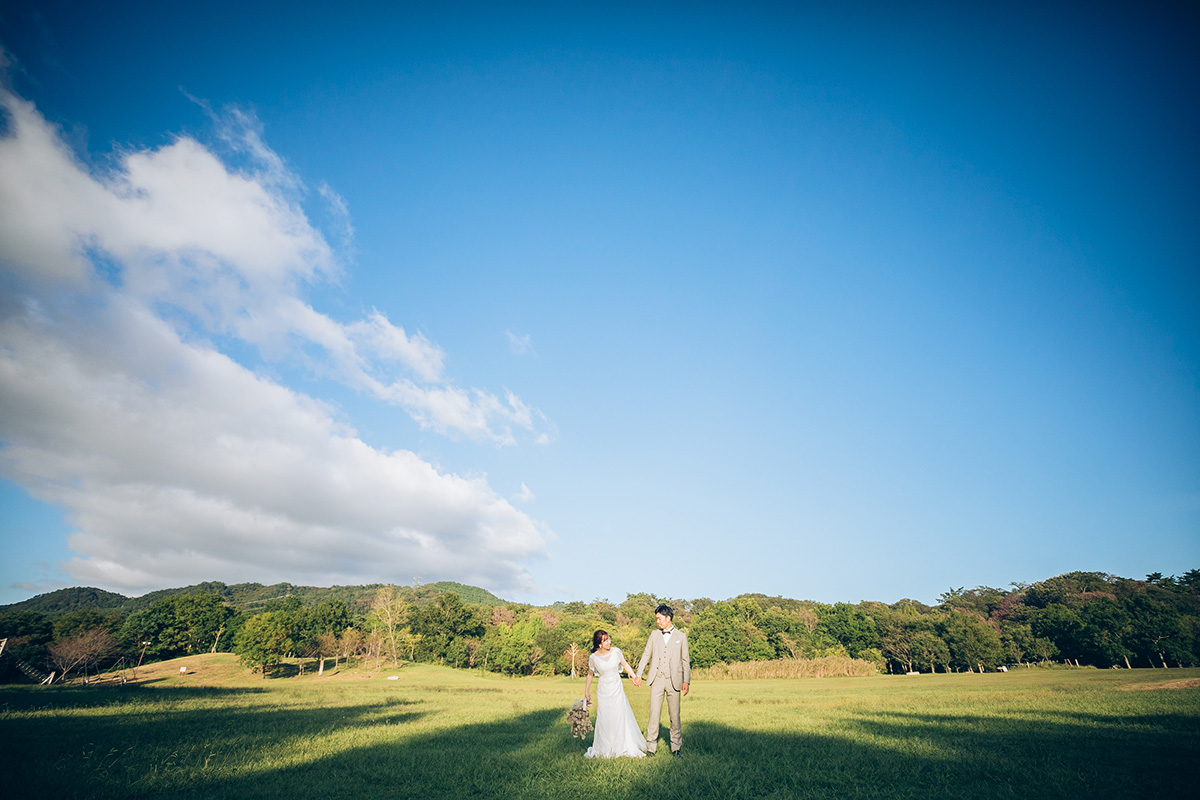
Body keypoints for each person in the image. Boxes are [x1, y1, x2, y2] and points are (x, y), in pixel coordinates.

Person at [634, 604, 690, 757]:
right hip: (657, 679)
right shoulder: (654, 635)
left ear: (668, 618)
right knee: (654, 714)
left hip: (675, 680)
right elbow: (646, 655)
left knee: (674, 715)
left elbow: (685, 660)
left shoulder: (681, 636)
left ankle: (676, 748)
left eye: (659, 618)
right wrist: (638, 674)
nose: (657, 621)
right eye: (656, 619)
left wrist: (686, 680)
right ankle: (651, 748)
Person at [583, 629, 647, 758]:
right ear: (599, 643)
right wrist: (586, 691)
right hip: (603, 690)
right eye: (605, 640)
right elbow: (590, 675)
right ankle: (605, 747)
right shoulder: (593, 657)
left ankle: (622, 745)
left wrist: (635, 676)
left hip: (616, 688)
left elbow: (625, 664)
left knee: (619, 715)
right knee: (604, 717)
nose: (609, 642)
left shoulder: (616, 652)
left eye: (609, 639)